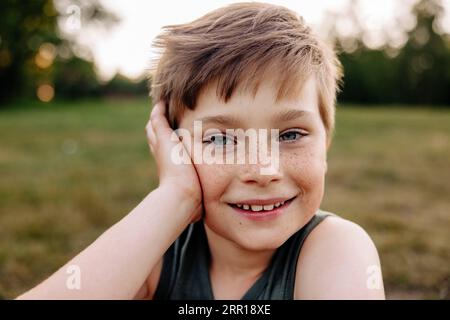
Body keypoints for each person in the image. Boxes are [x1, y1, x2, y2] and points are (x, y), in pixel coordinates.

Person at [18, 2, 385, 300]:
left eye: (289, 134)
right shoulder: (162, 256)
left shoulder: (337, 250)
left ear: (326, 144)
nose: (262, 169)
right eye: (222, 140)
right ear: (173, 148)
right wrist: (175, 196)